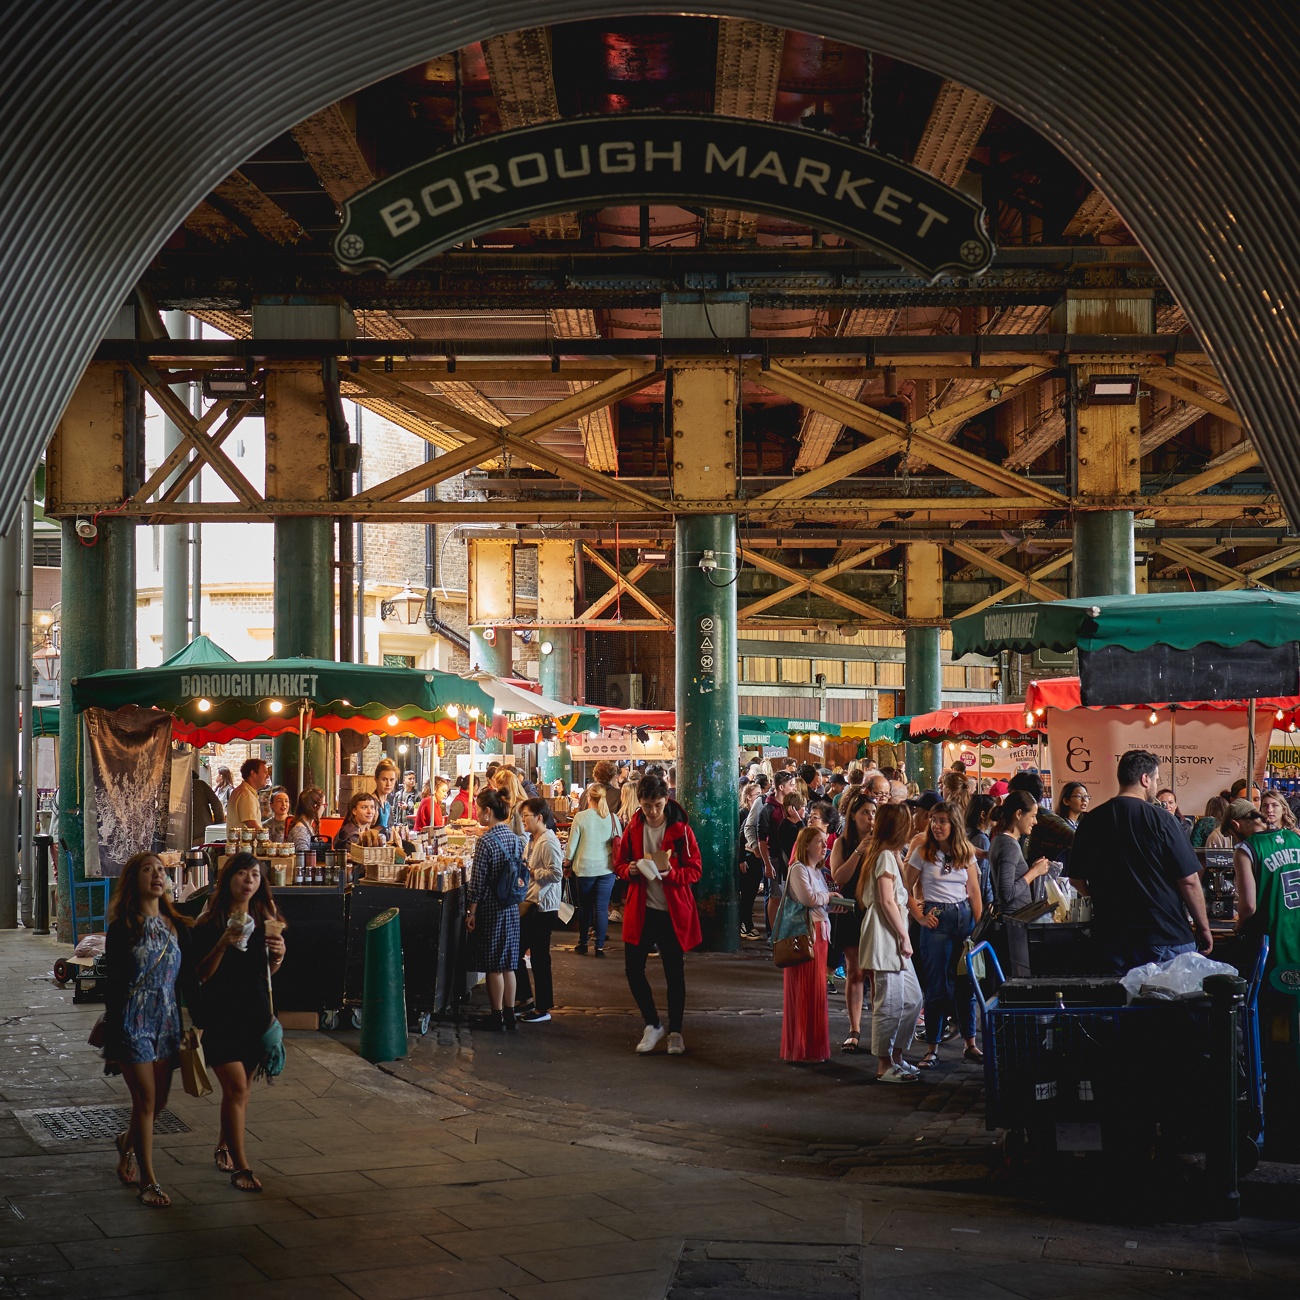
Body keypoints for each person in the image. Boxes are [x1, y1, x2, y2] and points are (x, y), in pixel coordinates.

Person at [103, 852, 194, 1208]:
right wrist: (112, 1039)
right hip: (132, 1019)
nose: (157, 875)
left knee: (159, 1103)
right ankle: (149, 1181)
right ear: (133, 879)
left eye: (161, 870)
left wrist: (194, 1024)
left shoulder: (177, 924)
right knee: (145, 1099)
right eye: (148, 869)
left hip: (168, 1020)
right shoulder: (122, 927)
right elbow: (113, 985)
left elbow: (188, 980)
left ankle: (127, 1141)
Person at [1069, 749, 1213, 971]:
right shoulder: (1163, 820)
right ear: (1145, 779)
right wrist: (1204, 928)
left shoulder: (1091, 821)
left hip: (1112, 937)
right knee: (1166, 1004)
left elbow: (1076, 880)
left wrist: (1101, 899)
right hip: (1165, 935)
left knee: (1120, 1003)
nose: (1156, 785)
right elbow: (1189, 881)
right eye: (1156, 779)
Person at [192, 852, 286, 1193]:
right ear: (229, 877)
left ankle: (223, 1146)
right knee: (236, 1088)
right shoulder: (209, 919)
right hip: (220, 1015)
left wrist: (279, 955)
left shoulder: (265, 916)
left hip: (254, 1013)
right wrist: (221, 944)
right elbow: (201, 975)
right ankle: (242, 1167)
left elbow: (267, 973)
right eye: (243, 874)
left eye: (255, 876)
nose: (249, 881)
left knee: (239, 1093)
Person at [613, 772, 702, 1055]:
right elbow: (619, 864)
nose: (652, 812)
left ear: (666, 800)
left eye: (658, 805)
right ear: (639, 802)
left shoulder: (682, 830)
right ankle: (652, 1024)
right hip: (642, 909)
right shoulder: (633, 828)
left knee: (674, 973)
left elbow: (696, 869)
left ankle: (675, 1030)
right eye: (647, 805)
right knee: (632, 970)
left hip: (672, 911)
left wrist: (671, 873)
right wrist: (631, 870)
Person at [905, 802, 983, 1068]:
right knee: (937, 985)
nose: (936, 826)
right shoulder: (922, 852)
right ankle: (932, 1047)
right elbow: (903, 887)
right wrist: (918, 915)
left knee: (966, 984)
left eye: (943, 821)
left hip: (964, 920)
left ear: (955, 825)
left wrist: (979, 927)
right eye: (934, 820)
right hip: (936, 921)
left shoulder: (965, 853)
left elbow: (974, 891)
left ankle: (970, 1043)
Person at [857, 804, 922, 1083]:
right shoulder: (884, 855)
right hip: (886, 934)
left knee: (912, 998)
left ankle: (896, 1056)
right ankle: (885, 1065)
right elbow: (885, 900)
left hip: (892, 933)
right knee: (890, 1002)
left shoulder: (890, 854)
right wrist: (904, 936)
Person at [465, 788, 525, 1032]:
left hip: (491, 907)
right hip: (511, 906)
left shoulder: (486, 841)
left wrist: (471, 912)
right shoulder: (514, 837)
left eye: (478, 810)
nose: (477, 814)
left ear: (488, 812)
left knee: (493, 965)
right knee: (509, 963)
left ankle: (496, 1015)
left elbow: (477, 883)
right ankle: (509, 1015)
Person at [781, 824, 836, 1064]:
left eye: (825, 842)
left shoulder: (817, 872)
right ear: (805, 845)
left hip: (820, 933)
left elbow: (819, 902)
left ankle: (812, 1046)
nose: (825, 846)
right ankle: (801, 1047)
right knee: (805, 990)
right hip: (806, 934)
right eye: (819, 842)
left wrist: (831, 904)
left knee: (816, 990)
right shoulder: (798, 869)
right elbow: (809, 899)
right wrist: (828, 898)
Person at [828, 792, 876, 1054]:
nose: (870, 818)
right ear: (853, 817)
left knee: (875, 972)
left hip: (876, 910)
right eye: (865, 813)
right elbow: (840, 877)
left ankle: (880, 1028)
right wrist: (859, 851)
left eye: (873, 813)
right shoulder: (842, 844)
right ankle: (854, 1029)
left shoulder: (883, 843)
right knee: (855, 971)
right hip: (851, 911)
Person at [515, 798, 563, 1023]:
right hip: (533, 903)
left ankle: (542, 1008)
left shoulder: (548, 842)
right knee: (518, 953)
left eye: (526, 815)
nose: (523, 819)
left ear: (539, 818)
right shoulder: (533, 840)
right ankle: (527, 1000)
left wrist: (533, 873)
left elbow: (556, 873)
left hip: (543, 907)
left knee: (539, 957)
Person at [566, 783, 618, 956]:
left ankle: (582, 944)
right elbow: (620, 841)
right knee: (602, 908)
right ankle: (600, 948)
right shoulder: (612, 818)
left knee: (585, 907)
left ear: (589, 798)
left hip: (585, 869)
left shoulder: (581, 817)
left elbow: (571, 846)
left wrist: (567, 864)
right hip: (607, 869)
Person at [988, 790, 1050, 912]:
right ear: (1019, 814)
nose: (1035, 821)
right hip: (1013, 918)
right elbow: (1006, 894)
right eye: (1032, 816)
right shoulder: (1009, 845)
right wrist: (1034, 872)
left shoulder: (1001, 840)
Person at [757, 770, 797, 935]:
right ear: (781, 787)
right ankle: (773, 934)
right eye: (791, 785)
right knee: (775, 895)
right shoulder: (767, 809)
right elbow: (761, 839)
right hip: (774, 858)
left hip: (792, 858)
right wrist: (766, 863)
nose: (794, 788)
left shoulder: (792, 806)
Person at [737, 779, 764, 941]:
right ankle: (745, 924)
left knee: (751, 894)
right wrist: (741, 859)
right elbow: (740, 837)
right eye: (757, 795)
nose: (760, 798)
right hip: (747, 858)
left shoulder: (758, 811)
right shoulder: (742, 813)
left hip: (754, 858)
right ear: (748, 797)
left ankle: (746, 923)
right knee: (747, 894)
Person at [965, 794, 997, 909]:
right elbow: (982, 877)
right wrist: (989, 903)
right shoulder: (982, 840)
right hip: (977, 902)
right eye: (993, 812)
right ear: (983, 815)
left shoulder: (966, 833)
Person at [225, 758, 269, 834]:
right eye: (265, 772)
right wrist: (267, 842)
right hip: (245, 845)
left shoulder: (241, 791)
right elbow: (251, 824)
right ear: (253, 773)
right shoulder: (246, 795)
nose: (267, 776)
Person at [333, 790, 379, 855]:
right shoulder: (350, 834)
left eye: (372, 807)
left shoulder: (364, 830)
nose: (370, 811)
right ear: (354, 811)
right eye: (364, 807)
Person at [190, 771, 224, 845]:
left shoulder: (175, 786)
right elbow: (216, 803)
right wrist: (218, 823)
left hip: (182, 835)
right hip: (203, 832)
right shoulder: (200, 784)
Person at [372, 759, 403, 842]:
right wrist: (380, 826)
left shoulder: (387, 803)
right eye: (384, 779)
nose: (388, 784)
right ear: (376, 779)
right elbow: (363, 834)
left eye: (392, 780)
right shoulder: (371, 803)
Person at [286, 787, 324, 852]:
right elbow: (303, 859)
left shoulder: (308, 827)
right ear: (315, 807)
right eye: (324, 805)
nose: (324, 809)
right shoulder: (300, 831)